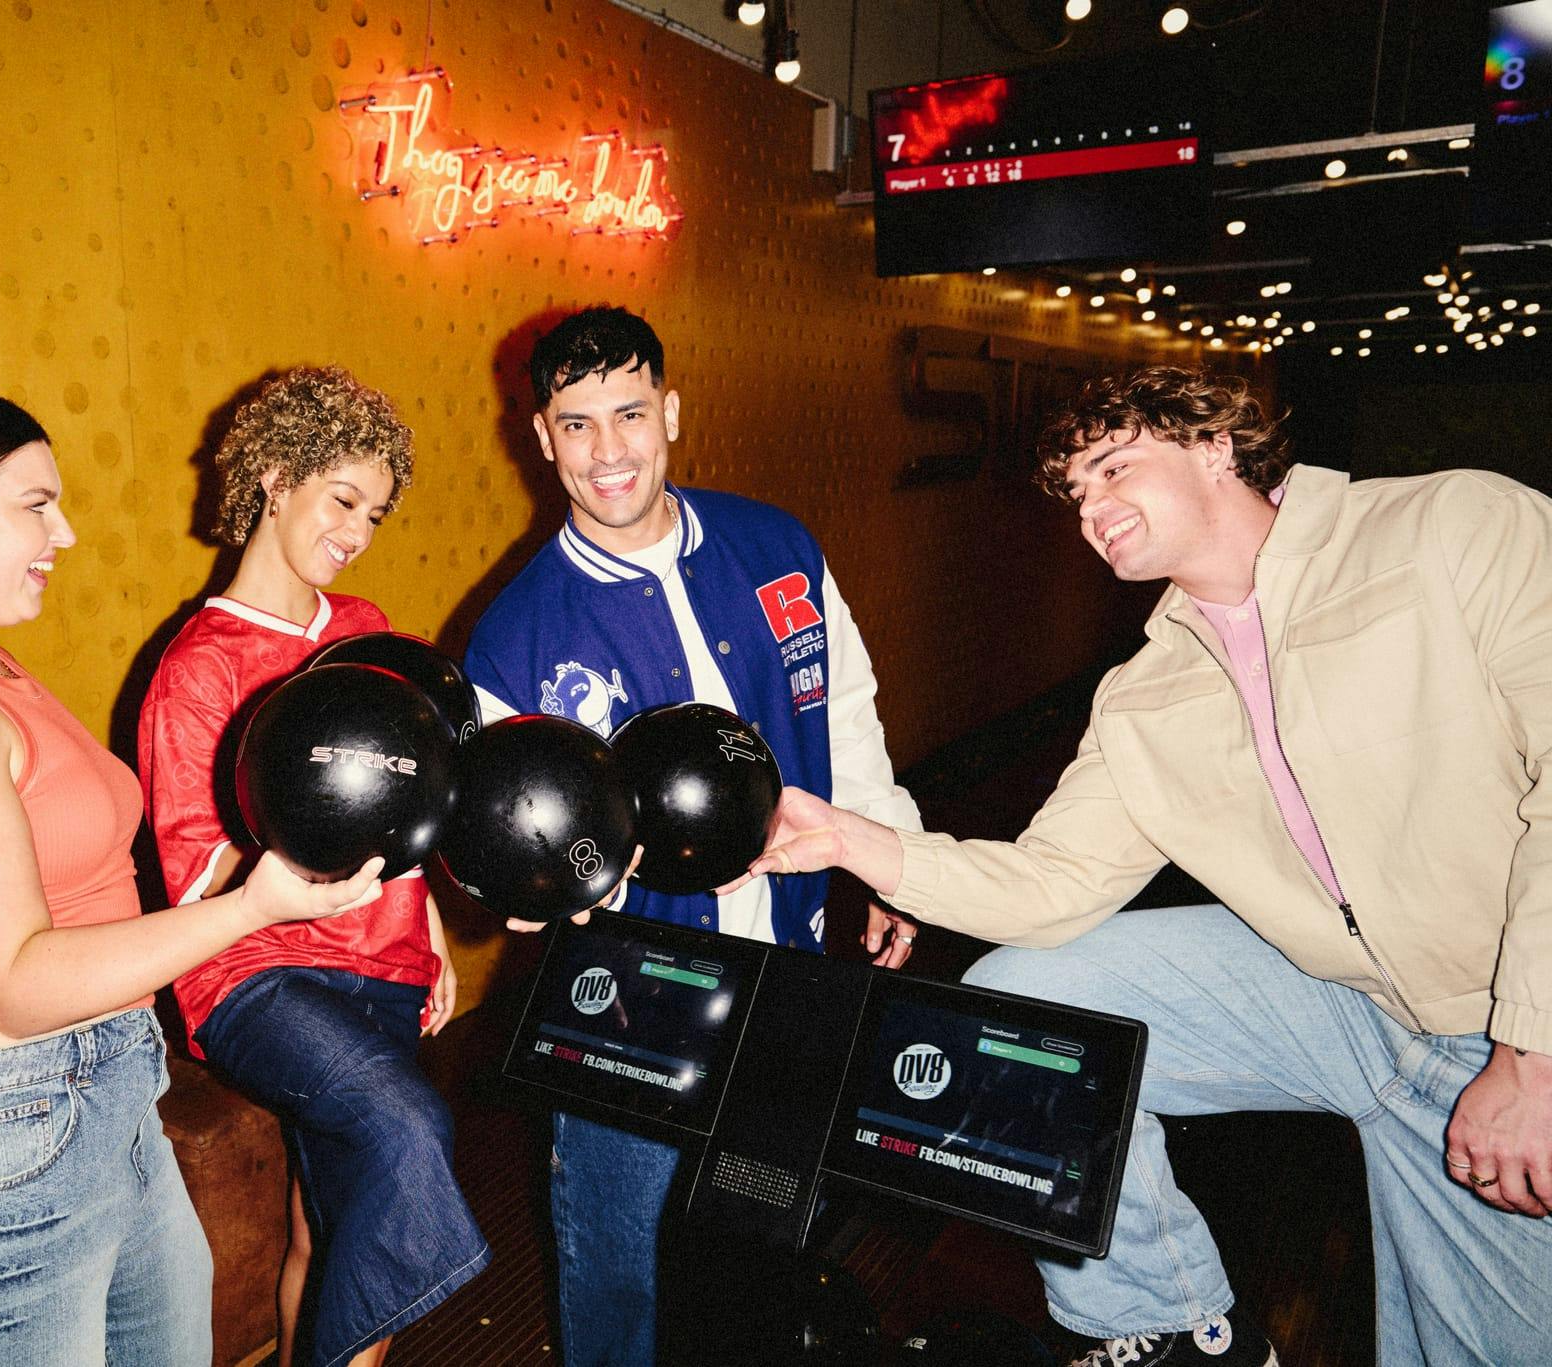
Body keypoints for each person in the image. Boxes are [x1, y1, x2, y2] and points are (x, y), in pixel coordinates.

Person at [741, 365, 1552, 1366]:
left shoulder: (1449, 530)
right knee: (1016, 1008)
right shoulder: (1144, 690)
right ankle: (1169, 1324)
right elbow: (1048, 885)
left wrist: (1529, 1048)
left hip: (1514, 1018)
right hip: (1352, 1006)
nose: (1092, 511)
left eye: (1114, 467)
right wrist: (847, 840)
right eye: (1076, 494)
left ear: (1213, 443)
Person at [0, 389, 382, 1366]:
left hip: (97, 1099)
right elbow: (15, 981)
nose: (67, 530)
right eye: (34, 504)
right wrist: (252, 904)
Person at [462, 306, 923, 1366]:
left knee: (759, 1230)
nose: (607, 448)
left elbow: (845, 714)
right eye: (575, 424)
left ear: (669, 409)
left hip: (788, 972)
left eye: (628, 413)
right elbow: (513, 851)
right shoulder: (514, 634)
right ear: (539, 437)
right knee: (616, 1259)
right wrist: (539, 889)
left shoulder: (776, 545)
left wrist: (891, 861)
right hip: (629, 1000)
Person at [137, 367, 488, 1367]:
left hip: (380, 962)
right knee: (405, 1128)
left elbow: (410, 796)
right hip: (259, 976)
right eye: (342, 500)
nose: (356, 532)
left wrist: (422, 930)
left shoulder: (365, 631)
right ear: (274, 476)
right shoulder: (195, 666)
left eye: (374, 513)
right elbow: (193, 879)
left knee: (321, 1227)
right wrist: (281, 870)